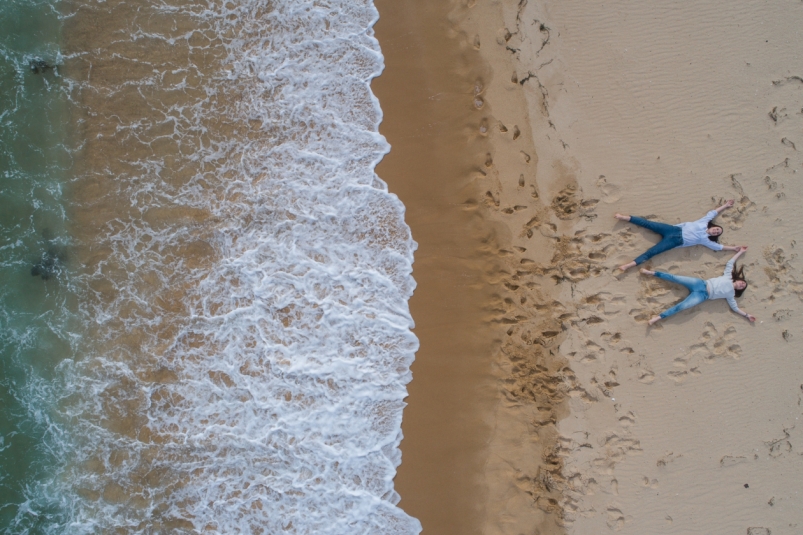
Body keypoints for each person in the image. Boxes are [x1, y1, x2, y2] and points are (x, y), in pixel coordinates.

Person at [641, 246, 756, 325]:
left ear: (739, 290)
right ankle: (651, 273)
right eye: (742, 282)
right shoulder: (728, 277)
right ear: (739, 279)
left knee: (681, 307)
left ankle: (656, 318)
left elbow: (735, 308)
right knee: (675, 278)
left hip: (703, 296)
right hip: (700, 283)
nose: (742, 284)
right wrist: (740, 252)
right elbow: (730, 263)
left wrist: (747, 315)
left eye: (742, 287)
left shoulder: (731, 295)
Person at [616, 200, 741, 271]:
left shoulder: (705, 240)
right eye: (716, 229)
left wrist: (733, 248)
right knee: (649, 224)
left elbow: (718, 247)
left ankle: (628, 265)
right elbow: (712, 213)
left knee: (652, 253)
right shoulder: (703, 223)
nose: (716, 231)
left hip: (675, 242)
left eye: (717, 233)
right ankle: (624, 218)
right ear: (712, 227)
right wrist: (725, 206)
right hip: (672, 230)